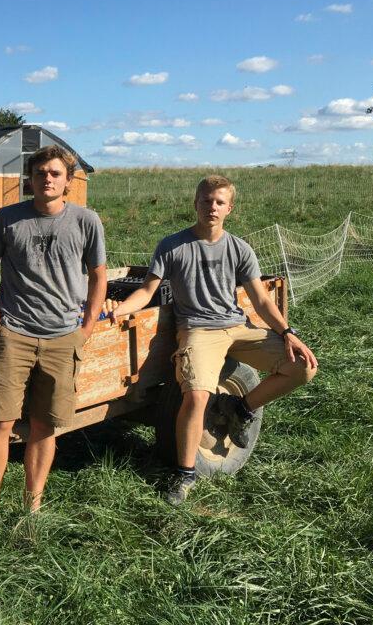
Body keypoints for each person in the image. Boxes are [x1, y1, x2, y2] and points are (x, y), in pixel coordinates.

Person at [110, 174, 318, 504]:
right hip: (198, 331)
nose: (212, 207)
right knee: (194, 397)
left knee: (303, 368)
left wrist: (288, 333)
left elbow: (262, 300)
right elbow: (148, 290)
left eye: (219, 202)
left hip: (238, 326)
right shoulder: (172, 245)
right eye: (206, 200)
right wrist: (119, 310)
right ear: (196, 204)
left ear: (229, 208)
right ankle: (185, 474)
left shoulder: (239, 248)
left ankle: (241, 409)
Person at [0, 144, 107, 513]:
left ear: (67, 181)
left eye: (55, 174)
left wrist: (86, 328)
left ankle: (32, 505)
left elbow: (98, 277)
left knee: (44, 425)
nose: (47, 179)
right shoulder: (7, 218)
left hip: (62, 336)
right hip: (14, 333)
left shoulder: (86, 221)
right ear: (29, 180)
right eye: (40, 174)